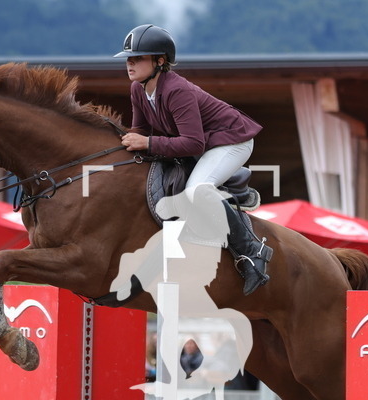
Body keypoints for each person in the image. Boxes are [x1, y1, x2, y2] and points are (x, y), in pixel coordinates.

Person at [114, 24, 273, 295]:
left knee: (198, 191)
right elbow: (139, 131)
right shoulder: (138, 90)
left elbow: (192, 143)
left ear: (159, 61)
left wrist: (149, 143)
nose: (130, 63)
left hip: (232, 140)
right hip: (204, 145)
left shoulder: (177, 90)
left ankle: (252, 252)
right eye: (129, 57)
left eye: (138, 57)